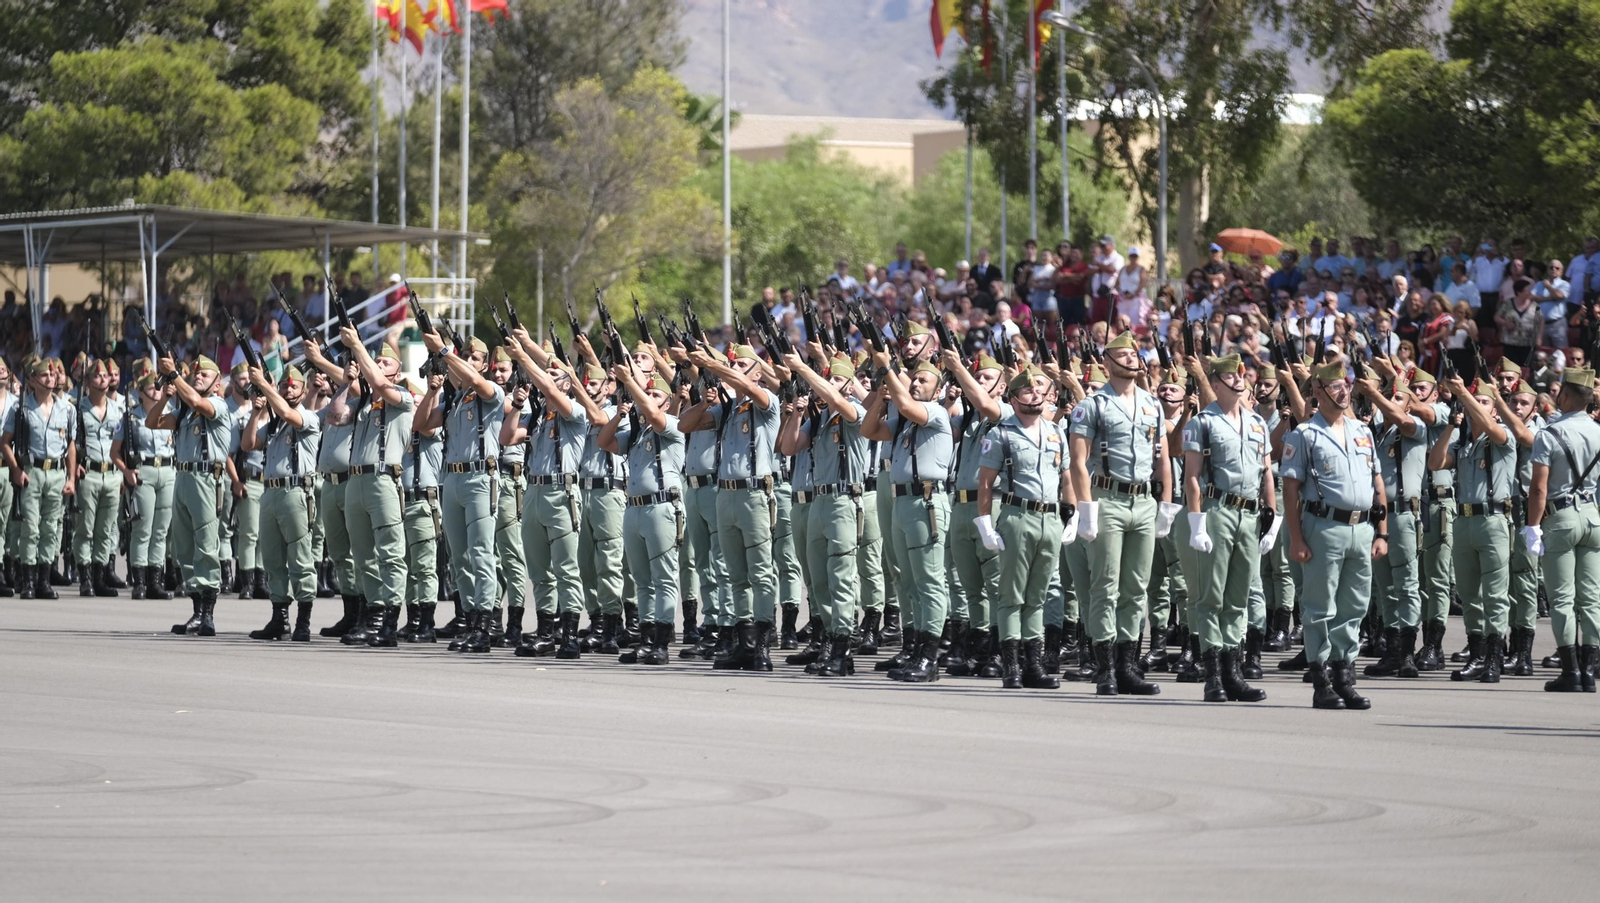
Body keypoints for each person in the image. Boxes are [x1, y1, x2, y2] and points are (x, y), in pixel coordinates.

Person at [1069, 330, 1179, 697]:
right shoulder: (1093, 405)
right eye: (1124, 355)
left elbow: (1163, 457)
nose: (1133, 359)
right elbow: (1079, 461)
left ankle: (1128, 665)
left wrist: (1166, 504)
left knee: (1136, 588)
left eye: (1135, 354)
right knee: (1106, 585)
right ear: (1107, 362)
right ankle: (1105, 669)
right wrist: (1086, 508)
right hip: (1108, 498)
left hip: (1144, 501)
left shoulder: (1152, 404)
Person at [1282, 362, 1388, 710]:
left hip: (1361, 527)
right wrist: (1296, 539)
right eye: (1334, 386)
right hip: (1323, 526)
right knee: (1319, 606)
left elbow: (1377, 482)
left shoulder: (1363, 431)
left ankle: (1344, 675)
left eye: (1345, 385)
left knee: (1355, 605)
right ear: (1317, 391)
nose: (1343, 391)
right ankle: (1321, 679)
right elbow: (1290, 489)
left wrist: (1381, 531)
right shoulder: (1304, 434)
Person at [679, 341, 782, 672]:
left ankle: (763, 644)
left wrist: (712, 365)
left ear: (755, 372)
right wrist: (705, 399)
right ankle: (745, 642)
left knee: (761, 573)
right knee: (735, 574)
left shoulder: (766, 402)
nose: (734, 372)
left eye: (740, 367)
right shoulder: (729, 409)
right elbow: (685, 425)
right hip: (725, 495)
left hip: (754, 495)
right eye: (733, 366)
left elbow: (749, 387)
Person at [974, 366, 1077, 689]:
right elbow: (986, 483)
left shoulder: (1056, 432)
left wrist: (1071, 514)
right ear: (1013, 397)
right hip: (1018, 516)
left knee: (1039, 594)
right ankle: (1012, 664)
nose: (1035, 394)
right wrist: (985, 524)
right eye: (1027, 391)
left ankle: (1033, 663)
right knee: (1012, 595)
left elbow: (1066, 476)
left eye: (1038, 390)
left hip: (1050, 519)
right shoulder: (1001, 433)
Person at [1183, 354, 1273, 703]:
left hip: (1250, 515)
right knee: (1212, 596)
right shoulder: (1202, 423)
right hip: (1218, 509)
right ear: (1216, 383)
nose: (1240, 379)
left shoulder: (1256, 423)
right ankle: (1214, 675)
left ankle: (1234, 672)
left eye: (1242, 374)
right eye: (1231, 376)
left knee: (1238, 598)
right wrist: (1196, 522)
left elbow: (1266, 472)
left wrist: (1272, 516)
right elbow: (1192, 476)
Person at [782, 347, 869, 676]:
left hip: (845, 500)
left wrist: (804, 369)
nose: (829, 384)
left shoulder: (853, 411)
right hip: (818, 500)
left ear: (849, 384)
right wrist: (797, 414)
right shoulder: (819, 419)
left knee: (841, 578)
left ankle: (843, 647)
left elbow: (835, 398)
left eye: (836, 378)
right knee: (819, 581)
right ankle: (830, 641)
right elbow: (789, 447)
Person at [415, 328, 503, 653]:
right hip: (451, 479)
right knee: (459, 558)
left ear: (484, 365)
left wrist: (444, 352)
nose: (468, 361)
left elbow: (478, 383)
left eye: (474, 358)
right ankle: (468, 619)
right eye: (465, 356)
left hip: (480, 478)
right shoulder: (454, 399)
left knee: (481, 554)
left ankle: (484, 625)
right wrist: (432, 391)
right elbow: (421, 424)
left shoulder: (491, 391)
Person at [502, 333, 589, 659]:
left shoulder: (574, 411)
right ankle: (545, 630)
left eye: (555, 376)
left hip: (560, 492)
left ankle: (569, 635)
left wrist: (524, 358)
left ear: (568, 384)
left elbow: (551, 390)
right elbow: (508, 437)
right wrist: (520, 405)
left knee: (566, 568)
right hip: (535, 491)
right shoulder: (538, 415)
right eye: (546, 374)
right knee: (539, 571)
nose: (548, 381)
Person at [1428, 376, 1515, 684]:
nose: (1477, 405)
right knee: (1468, 594)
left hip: (1492, 521)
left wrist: (1465, 393)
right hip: (1463, 521)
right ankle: (1478, 653)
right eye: (1475, 401)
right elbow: (1436, 462)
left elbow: (1493, 429)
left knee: (1494, 594)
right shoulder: (1463, 445)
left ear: (1494, 409)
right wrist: (1452, 424)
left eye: (1484, 401)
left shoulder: (1501, 435)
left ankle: (1494, 656)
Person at [600, 365, 684, 666]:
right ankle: (646, 639)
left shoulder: (672, 424)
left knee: (664, 578)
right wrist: (621, 415)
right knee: (641, 580)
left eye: (655, 393)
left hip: (661, 507)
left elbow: (654, 413)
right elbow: (604, 442)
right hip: (634, 507)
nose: (648, 397)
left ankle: (661, 642)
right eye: (646, 392)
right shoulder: (637, 431)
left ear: (667, 401)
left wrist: (630, 384)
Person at [1523, 367, 1600, 692]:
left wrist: (1532, 527)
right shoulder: (1598, 431)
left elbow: (1539, 488)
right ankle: (1591, 669)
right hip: (1593, 517)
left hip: (1562, 518)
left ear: (1565, 396)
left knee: (1562, 598)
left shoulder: (1549, 433)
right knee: (1592, 597)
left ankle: (1571, 672)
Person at [334, 333, 413, 647]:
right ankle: (373, 616)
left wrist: (356, 347)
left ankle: (390, 623)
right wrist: (345, 382)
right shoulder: (364, 401)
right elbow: (334, 416)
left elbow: (381, 386)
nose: (379, 365)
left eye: (385, 362)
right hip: (356, 480)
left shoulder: (402, 396)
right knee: (363, 555)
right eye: (376, 360)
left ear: (397, 371)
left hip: (383, 480)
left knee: (390, 553)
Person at [149, 354, 232, 636]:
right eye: (195, 374)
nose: (198, 377)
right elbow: (152, 422)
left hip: (206, 478)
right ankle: (196, 611)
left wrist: (174, 375)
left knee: (207, 545)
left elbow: (198, 402)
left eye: (204, 375)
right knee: (183, 547)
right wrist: (165, 397)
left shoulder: (217, 404)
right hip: (183, 477)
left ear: (217, 384)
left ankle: (208, 614)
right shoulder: (184, 411)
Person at [239, 365, 321, 641]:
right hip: (271, 492)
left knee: (300, 558)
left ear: (304, 390)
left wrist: (264, 383)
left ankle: (303, 621)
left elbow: (287, 412)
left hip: (296, 492)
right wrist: (256, 411)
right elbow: (248, 444)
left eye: (293, 386)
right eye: (284, 386)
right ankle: (279, 618)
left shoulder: (307, 417)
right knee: (272, 559)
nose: (288, 390)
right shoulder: (274, 424)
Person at [1357, 371, 1426, 679]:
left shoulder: (1414, 427)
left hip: (1403, 515)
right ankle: (1393, 649)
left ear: (1409, 405)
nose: (1392, 401)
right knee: (1385, 587)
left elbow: (1405, 420)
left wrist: (1375, 395)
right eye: (1390, 395)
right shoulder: (1374, 432)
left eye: (1399, 397)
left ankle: (1408, 652)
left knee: (1407, 584)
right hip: (1377, 515)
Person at [3, 359, 77, 599]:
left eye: (52, 375)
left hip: (56, 473)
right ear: (33, 380)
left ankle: (44, 581)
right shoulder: (21, 408)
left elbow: (71, 446)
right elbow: (5, 442)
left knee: (50, 529)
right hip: (32, 472)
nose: (50, 379)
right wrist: (16, 469)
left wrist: (71, 478)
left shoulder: (66, 409)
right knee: (30, 528)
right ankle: (28, 582)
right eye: (44, 375)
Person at [112, 363, 176, 601]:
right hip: (144, 472)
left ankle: (155, 582)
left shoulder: (171, 412)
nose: (156, 392)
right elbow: (115, 452)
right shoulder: (131, 418)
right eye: (151, 388)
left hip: (168, 471)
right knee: (142, 528)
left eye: (158, 388)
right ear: (140, 392)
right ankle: (139, 581)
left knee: (161, 530)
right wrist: (126, 472)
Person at [398, 365, 445, 643]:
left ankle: (427, 623)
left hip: (423, 501)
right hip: (402, 502)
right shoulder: (402, 430)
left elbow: (424, 424)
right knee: (406, 566)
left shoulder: (430, 428)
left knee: (425, 566)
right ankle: (413, 618)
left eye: (417, 404)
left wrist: (430, 393)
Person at [72, 359, 123, 597]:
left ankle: (100, 577)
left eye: (105, 375)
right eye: (97, 376)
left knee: (105, 529)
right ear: (88, 382)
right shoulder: (77, 408)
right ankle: (85, 578)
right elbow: (69, 444)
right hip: (89, 472)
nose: (104, 379)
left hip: (112, 474)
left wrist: (123, 472)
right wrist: (72, 469)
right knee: (85, 529)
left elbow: (123, 445)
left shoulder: (118, 410)